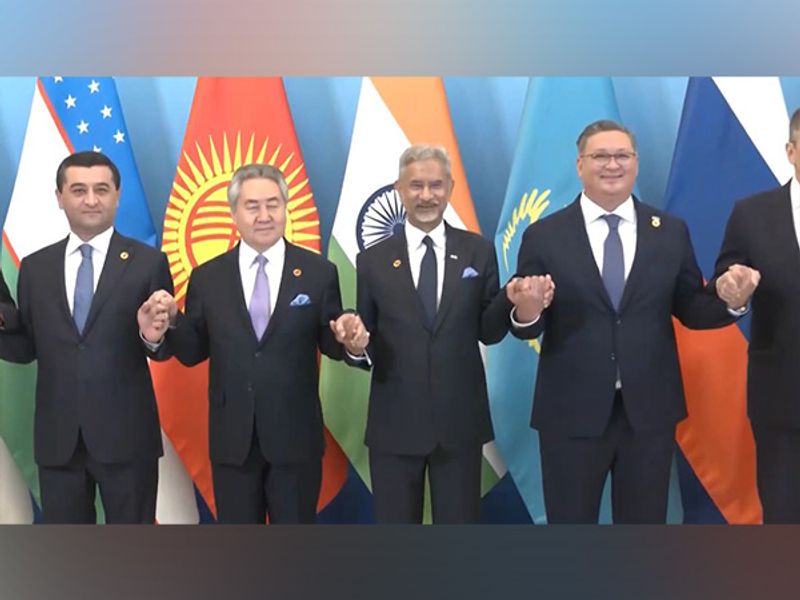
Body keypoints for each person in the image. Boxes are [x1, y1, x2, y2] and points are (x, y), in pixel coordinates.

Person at [505, 120, 752, 523]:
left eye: (622, 155)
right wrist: (528, 310)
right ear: (580, 165)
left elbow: (691, 308)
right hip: (571, 413)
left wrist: (732, 303)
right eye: (600, 156)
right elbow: (530, 321)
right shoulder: (544, 235)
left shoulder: (669, 232)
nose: (612, 164)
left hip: (648, 414)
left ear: (636, 163)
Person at [146, 163, 366, 524]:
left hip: (295, 439)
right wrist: (172, 322)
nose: (264, 216)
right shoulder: (208, 277)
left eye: (273, 204)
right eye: (252, 206)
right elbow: (193, 351)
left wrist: (351, 340)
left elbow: (331, 340)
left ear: (285, 207)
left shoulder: (318, 272)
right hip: (233, 441)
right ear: (234, 213)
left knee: (294, 550)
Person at [0, 150, 174, 523]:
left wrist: (152, 337)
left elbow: (164, 348)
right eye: (79, 190)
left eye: (101, 189)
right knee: (68, 552)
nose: (91, 200)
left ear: (117, 195)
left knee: (133, 551)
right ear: (59, 197)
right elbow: (27, 347)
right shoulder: (35, 268)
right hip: (59, 442)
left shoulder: (148, 263)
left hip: (128, 440)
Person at [349, 144, 509, 523]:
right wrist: (356, 347)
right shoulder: (371, 261)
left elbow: (489, 331)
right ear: (399, 189)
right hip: (394, 426)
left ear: (450, 187)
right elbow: (366, 341)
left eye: (436, 185)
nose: (426, 195)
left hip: (459, 423)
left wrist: (516, 306)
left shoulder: (478, 252)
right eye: (416, 185)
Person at [710, 108, 800, 523]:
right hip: (782, 398)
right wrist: (734, 291)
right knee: (784, 519)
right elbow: (724, 285)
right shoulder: (753, 214)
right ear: (791, 151)